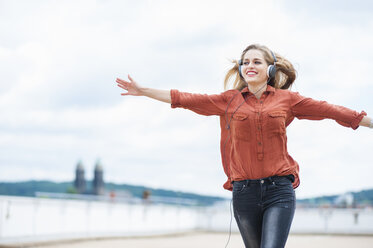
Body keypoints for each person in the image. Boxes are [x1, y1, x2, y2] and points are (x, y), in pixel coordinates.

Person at [115, 44, 371, 248]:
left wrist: (368, 121)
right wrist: (144, 90)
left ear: (270, 69)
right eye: (245, 62)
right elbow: (184, 99)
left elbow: (331, 110)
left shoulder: (288, 100)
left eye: (257, 61)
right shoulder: (228, 100)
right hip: (244, 192)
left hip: (279, 190)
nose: (250, 65)